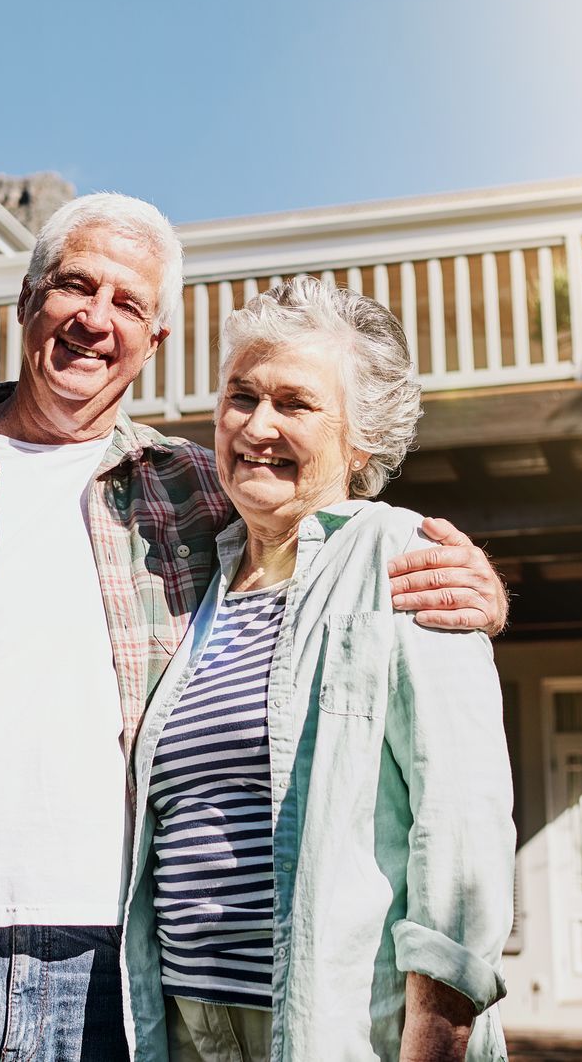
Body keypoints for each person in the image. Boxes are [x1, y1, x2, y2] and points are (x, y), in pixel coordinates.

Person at [0, 194, 509, 1062]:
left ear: (154, 339)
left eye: (129, 304)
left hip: (118, 986)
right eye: (74, 286)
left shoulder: (188, 490)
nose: (95, 320)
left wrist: (480, 598)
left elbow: (328, 528)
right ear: (28, 298)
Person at [124, 275, 515, 1062]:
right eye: (241, 397)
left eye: (295, 404)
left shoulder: (399, 556)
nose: (256, 425)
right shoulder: (202, 584)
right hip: (185, 1028)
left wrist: (437, 1037)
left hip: (338, 1031)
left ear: (360, 438)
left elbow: (462, 819)